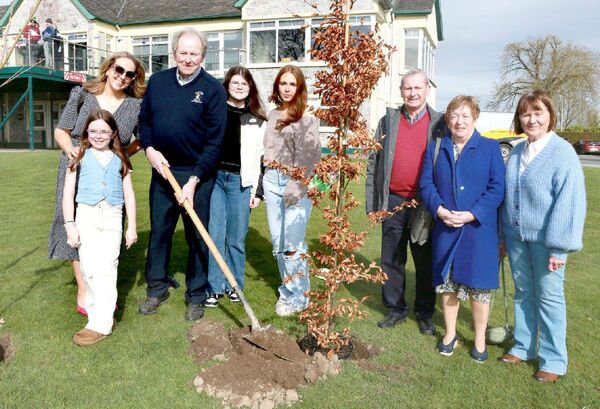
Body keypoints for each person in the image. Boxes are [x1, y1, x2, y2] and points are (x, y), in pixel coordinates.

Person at [138, 27, 227, 321]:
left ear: (203, 55)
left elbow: (215, 143)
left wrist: (193, 181)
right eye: (183, 53)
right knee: (159, 232)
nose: (188, 59)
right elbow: (145, 121)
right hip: (163, 170)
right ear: (174, 53)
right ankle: (156, 289)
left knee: (197, 237)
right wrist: (149, 149)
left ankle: (196, 295)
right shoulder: (158, 82)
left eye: (194, 54)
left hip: (197, 175)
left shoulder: (213, 90)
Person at [48, 51, 145, 316]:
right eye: (118, 70)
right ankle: (83, 288)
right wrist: (73, 154)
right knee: (73, 223)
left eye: (129, 74)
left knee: (106, 228)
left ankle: (103, 289)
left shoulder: (135, 106)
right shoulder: (82, 94)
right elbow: (61, 131)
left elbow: (141, 139)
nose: (122, 77)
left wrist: (123, 155)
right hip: (77, 167)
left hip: (110, 171)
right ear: (108, 68)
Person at [499, 90, 586, 382]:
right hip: (515, 237)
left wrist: (560, 248)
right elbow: (508, 196)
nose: (532, 119)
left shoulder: (562, 152)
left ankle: (553, 360)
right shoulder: (517, 152)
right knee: (523, 293)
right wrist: (503, 235)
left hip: (547, 242)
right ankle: (523, 346)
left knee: (549, 298)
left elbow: (570, 202)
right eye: (526, 113)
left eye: (538, 112)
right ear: (519, 118)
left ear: (550, 115)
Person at [419, 96, 505, 362]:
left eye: (466, 115)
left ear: (475, 118)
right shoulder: (437, 147)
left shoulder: (490, 148)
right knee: (447, 284)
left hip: (479, 230)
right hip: (446, 227)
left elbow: (497, 189)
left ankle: (479, 339)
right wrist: (441, 210)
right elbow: (425, 184)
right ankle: (450, 334)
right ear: (448, 119)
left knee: (479, 286)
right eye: (454, 115)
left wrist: (471, 214)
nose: (459, 121)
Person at [365, 68, 446, 334]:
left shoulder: (439, 124)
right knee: (392, 258)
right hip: (393, 201)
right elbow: (373, 163)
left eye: (417, 88)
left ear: (427, 90)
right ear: (401, 91)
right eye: (407, 88)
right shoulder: (388, 121)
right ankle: (395, 308)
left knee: (424, 260)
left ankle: (424, 312)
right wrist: (372, 204)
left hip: (424, 203)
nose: (412, 93)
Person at [63, 109, 137, 346]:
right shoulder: (78, 156)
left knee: (108, 267)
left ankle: (100, 324)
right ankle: (100, 317)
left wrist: (132, 226)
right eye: (93, 131)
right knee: (89, 269)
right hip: (86, 215)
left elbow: (129, 194)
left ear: (113, 133)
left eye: (104, 131)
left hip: (113, 217)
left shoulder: (121, 158)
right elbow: (67, 195)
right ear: (86, 132)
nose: (98, 135)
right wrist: (70, 226)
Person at [205, 66, 267, 308]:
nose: (240, 87)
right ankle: (214, 287)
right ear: (227, 86)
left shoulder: (258, 120)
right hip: (216, 180)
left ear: (249, 88)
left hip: (241, 183)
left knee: (236, 238)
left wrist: (257, 192)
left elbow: (263, 160)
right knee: (215, 235)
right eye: (235, 83)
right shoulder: (216, 112)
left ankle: (235, 286)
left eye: (244, 83)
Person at [263, 65, 321, 317]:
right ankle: (288, 291)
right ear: (277, 87)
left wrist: (295, 187)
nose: (286, 88)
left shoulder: (307, 118)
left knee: (292, 245)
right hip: (271, 181)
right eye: (282, 84)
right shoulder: (272, 115)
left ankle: (299, 296)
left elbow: (311, 159)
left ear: (299, 88)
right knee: (278, 244)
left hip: (296, 183)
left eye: (292, 84)